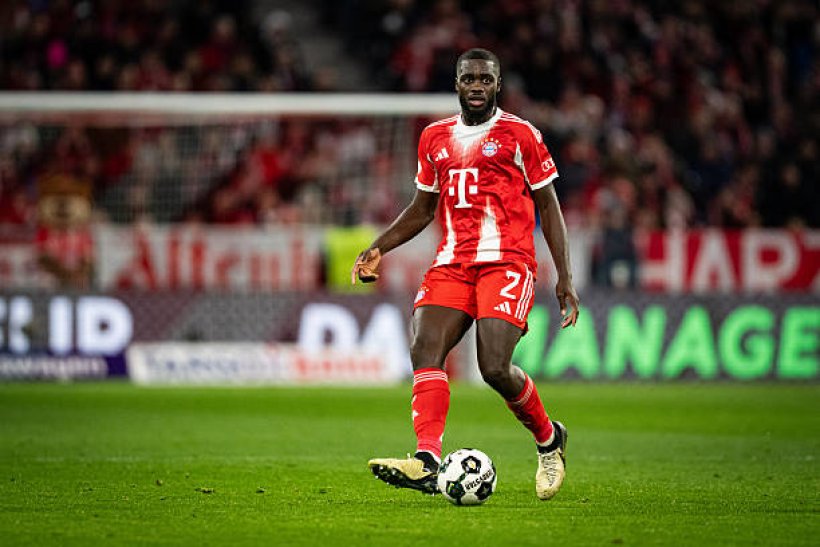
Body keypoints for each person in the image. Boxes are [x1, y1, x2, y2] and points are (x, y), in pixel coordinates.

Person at [351, 48, 580, 501]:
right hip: (453, 262)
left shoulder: (520, 134)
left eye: (485, 79)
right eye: (469, 78)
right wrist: (378, 246)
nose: (477, 86)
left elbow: (548, 205)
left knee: (493, 368)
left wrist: (564, 277)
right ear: (457, 84)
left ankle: (549, 438)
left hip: (507, 261)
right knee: (424, 346)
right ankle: (426, 460)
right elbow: (422, 209)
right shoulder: (433, 137)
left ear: (498, 85)